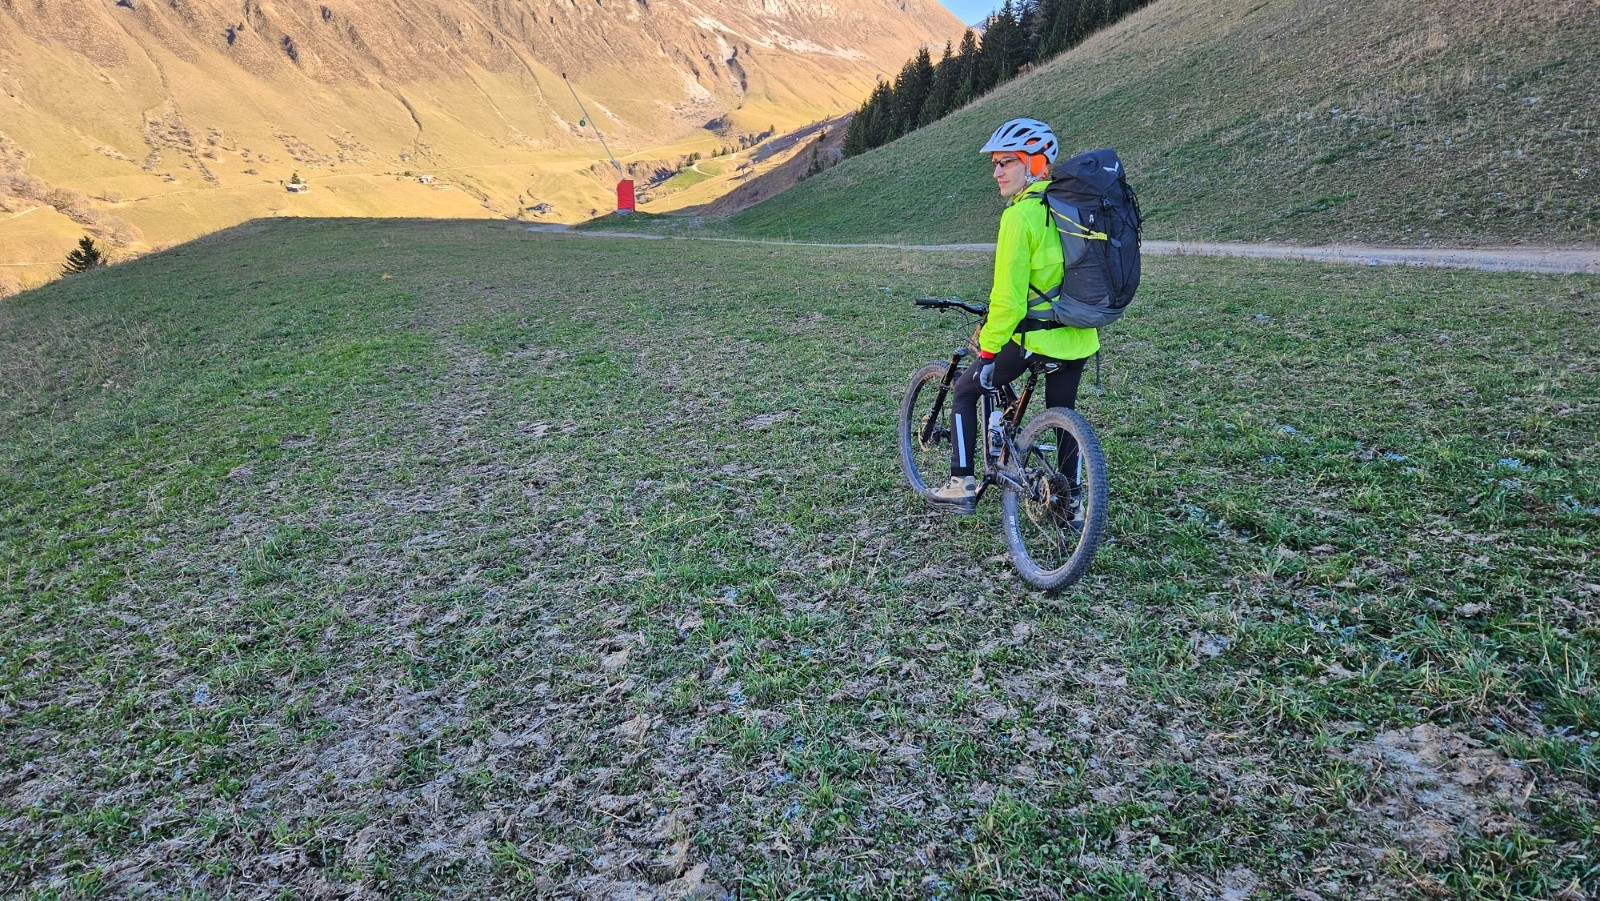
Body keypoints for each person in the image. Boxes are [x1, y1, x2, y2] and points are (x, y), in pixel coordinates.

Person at [931, 117, 1100, 512]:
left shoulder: (1020, 216)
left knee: (965, 389)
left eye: (1006, 162)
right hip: (1078, 337)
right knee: (1063, 417)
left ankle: (960, 482)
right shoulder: (1072, 208)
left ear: (1036, 164)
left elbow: (1008, 302)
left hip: (1034, 339)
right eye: (994, 163)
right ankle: (1070, 503)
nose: (996, 172)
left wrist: (988, 352)